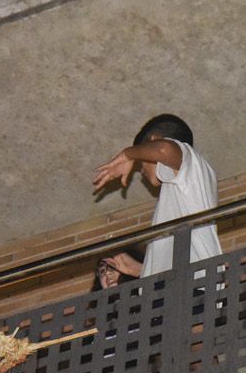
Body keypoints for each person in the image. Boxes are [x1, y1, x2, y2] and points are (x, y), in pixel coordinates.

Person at [94, 113, 223, 277]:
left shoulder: (191, 163)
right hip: (184, 284)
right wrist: (138, 270)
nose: (141, 170)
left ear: (153, 140)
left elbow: (163, 149)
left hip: (194, 283)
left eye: (141, 160)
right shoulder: (177, 191)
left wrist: (128, 154)